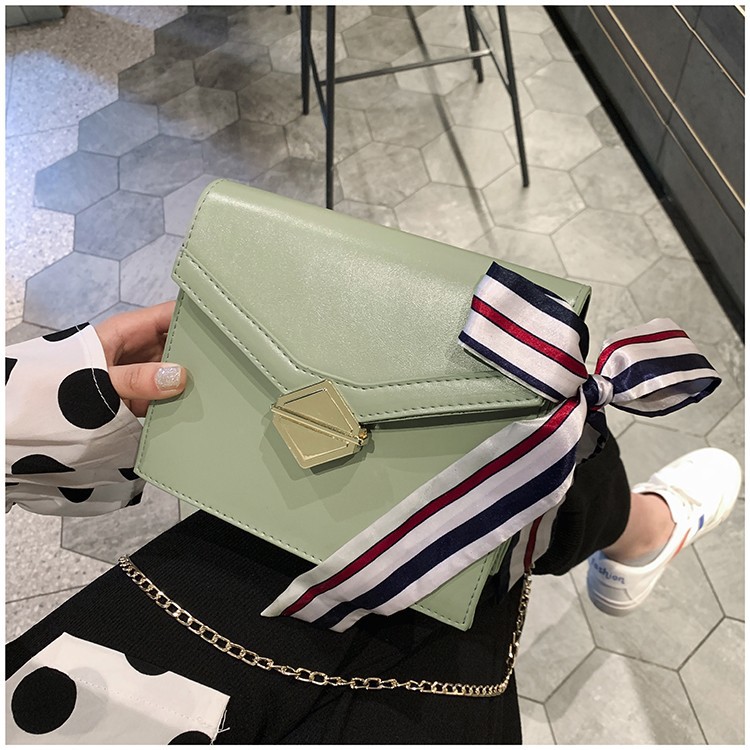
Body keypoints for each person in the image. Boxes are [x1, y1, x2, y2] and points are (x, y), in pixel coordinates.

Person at [5, 302, 741, 744]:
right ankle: (637, 534)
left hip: (83, 694)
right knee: (492, 461)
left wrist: (47, 411)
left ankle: (631, 532)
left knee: (377, 491)